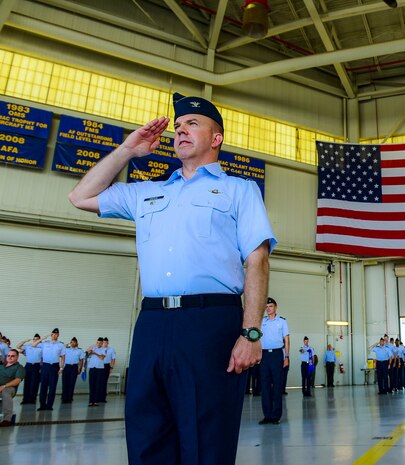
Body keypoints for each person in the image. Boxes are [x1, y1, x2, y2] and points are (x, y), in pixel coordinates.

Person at [68, 93, 276, 464]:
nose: (181, 130)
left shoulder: (239, 190)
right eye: (178, 126)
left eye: (192, 124)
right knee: (147, 433)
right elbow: (80, 196)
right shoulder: (149, 191)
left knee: (206, 440)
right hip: (152, 323)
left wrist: (251, 334)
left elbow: (257, 261)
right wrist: (127, 151)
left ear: (216, 138)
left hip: (209, 322)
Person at [258, 297, 289, 424]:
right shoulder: (262, 322)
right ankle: (267, 415)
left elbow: (286, 340)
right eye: (266, 307)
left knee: (277, 386)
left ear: (275, 307)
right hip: (264, 355)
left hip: (277, 354)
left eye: (270, 306)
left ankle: (276, 416)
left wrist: (286, 356)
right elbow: (257, 339)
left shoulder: (282, 322)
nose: (268, 309)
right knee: (264, 387)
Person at [34, 328, 66, 411]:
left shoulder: (61, 345)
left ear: (58, 335)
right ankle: (42, 405)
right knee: (43, 386)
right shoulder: (45, 343)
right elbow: (34, 345)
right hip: (45, 366)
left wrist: (61, 368)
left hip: (54, 366)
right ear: (51, 335)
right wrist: (44, 337)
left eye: (56, 334)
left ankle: (49, 405)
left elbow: (63, 357)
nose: (54, 335)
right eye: (53, 334)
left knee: (52, 387)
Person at [0, 349, 25, 427]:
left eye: (12, 356)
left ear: (17, 357)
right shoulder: (1, 366)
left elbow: (17, 380)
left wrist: (4, 386)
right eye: (8, 356)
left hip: (9, 388)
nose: (10, 357)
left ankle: (7, 419)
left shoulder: (19, 367)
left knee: (6, 393)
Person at [16, 334, 42, 404]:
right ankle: (25, 399)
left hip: (36, 366)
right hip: (28, 366)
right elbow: (18, 346)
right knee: (27, 382)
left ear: (39, 340)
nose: (35, 340)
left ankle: (32, 399)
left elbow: (43, 359)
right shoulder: (28, 346)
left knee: (34, 383)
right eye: (34, 339)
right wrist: (25, 340)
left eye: (37, 339)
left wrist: (41, 368)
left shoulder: (41, 347)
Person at [62, 337, 84, 403]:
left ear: (77, 343)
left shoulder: (80, 350)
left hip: (74, 367)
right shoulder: (66, 349)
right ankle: (64, 397)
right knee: (65, 383)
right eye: (71, 342)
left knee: (72, 383)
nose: (72, 343)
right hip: (67, 367)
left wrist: (79, 368)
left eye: (74, 342)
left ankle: (70, 398)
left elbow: (81, 360)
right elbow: (61, 351)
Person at [86, 338, 107, 407]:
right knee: (91, 385)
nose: (99, 344)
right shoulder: (93, 348)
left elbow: (102, 357)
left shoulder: (104, 349)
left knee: (98, 385)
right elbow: (87, 354)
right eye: (98, 343)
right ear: (96, 342)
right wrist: (90, 350)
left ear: (102, 343)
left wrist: (95, 353)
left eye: (100, 343)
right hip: (92, 368)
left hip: (99, 368)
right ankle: (90, 401)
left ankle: (95, 401)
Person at [99, 337, 116, 402]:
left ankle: (103, 398)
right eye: (103, 342)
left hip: (106, 366)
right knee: (99, 381)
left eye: (106, 342)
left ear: (108, 343)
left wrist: (111, 367)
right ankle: (97, 397)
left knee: (104, 382)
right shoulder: (99, 349)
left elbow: (113, 359)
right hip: (99, 366)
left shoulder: (111, 349)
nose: (105, 343)